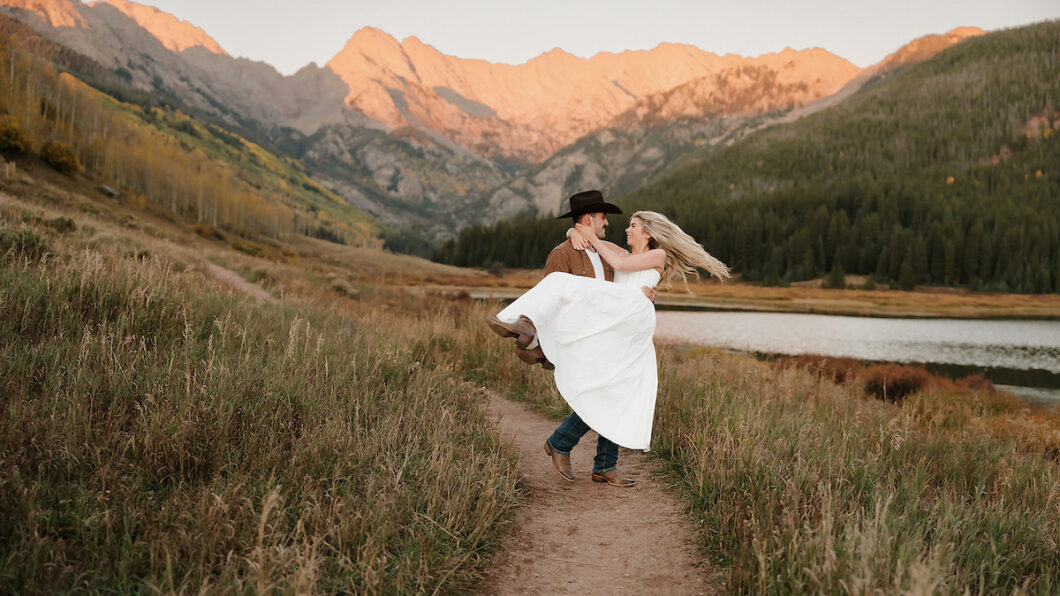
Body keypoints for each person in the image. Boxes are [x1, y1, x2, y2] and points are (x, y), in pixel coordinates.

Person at [488, 191, 730, 487]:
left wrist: (586, 234)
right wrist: (574, 231)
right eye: (622, 223)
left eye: (632, 226)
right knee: (608, 391)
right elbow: (612, 257)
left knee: (613, 392)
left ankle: (586, 455)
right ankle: (592, 457)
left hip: (631, 327)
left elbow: (621, 266)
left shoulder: (656, 255)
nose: (624, 229)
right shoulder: (623, 253)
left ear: (648, 232)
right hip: (615, 325)